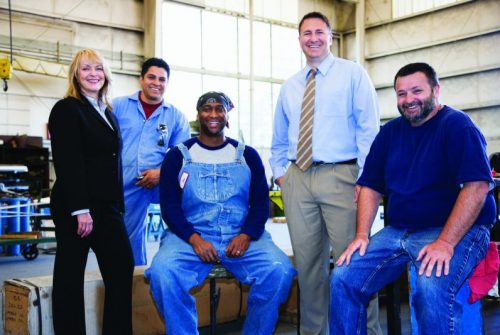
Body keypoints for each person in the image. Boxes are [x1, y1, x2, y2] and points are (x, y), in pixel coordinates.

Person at [330, 62, 496, 334]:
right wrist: (362, 235)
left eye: (416, 91)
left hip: (456, 230)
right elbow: (370, 185)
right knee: (343, 277)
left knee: (430, 283)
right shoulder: (390, 133)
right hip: (399, 231)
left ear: (436, 90)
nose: (408, 100)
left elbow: (477, 187)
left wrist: (445, 242)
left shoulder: (457, 126)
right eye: (401, 94)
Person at [145, 91, 296, 334]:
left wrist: (246, 235)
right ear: (198, 115)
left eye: (219, 109)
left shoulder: (247, 155)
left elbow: (260, 204)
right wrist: (195, 239)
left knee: (279, 270)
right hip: (189, 237)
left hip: (240, 235)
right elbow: (169, 207)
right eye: (207, 109)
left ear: (227, 116)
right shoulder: (178, 156)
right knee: (164, 273)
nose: (213, 114)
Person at [269, 11, 382, 335]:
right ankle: (313, 332)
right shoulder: (290, 86)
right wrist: (282, 176)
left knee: (354, 265)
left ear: (330, 37)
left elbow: (368, 132)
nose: (313, 38)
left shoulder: (352, 75)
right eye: (307, 33)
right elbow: (278, 139)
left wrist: (366, 180)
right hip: (298, 179)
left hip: (343, 178)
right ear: (300, 39)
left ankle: (365, 331)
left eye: (319, 32)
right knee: (308, 269)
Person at [49, 49, 134, 335]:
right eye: (86, 69)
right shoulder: (66, 109)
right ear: (76, 74)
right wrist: (80, 209)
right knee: (70, 280)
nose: (93, 74)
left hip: (107, 207)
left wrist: (118, 206)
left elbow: (113, 161)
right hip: (77, 208)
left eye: (98, 68)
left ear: (106, 74)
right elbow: (68, 161)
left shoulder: (107, 111)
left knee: (122, 268)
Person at [113, 57, 190, 265]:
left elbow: (182, 154)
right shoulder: (118, 107)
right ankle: (132, 279)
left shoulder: (176, 116)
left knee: (181, 224)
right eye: (151, 77)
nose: (157, 83)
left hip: (162, 181)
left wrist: (161, 173)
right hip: (126, 183)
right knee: (128, 236)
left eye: (162, 79)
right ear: (141, 79)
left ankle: (175, 268)